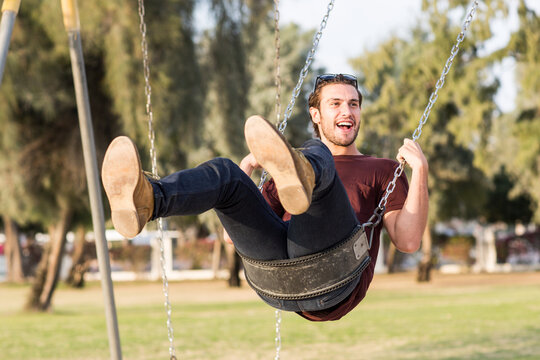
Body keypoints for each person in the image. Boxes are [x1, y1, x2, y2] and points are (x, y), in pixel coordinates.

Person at [101, 74, 428, 322]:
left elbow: (409, 240)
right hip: (275, 281)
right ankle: (149, 200)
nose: (348, 111)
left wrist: (421, 171)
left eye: (354, 104)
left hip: (336, 281)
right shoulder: (287, 174)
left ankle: (311, 173)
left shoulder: (382, 170)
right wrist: (244, 173)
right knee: (226, 173)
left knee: (316, 157)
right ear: (315, 115)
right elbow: (234, 237)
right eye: (336, 104)